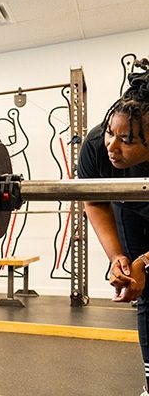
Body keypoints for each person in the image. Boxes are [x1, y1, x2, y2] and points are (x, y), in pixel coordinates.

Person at [78, 69, 149, 395]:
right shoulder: (95, 145)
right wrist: (118, 257)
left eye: (128, 140)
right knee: (143, 291)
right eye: (110, 132)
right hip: (131, 207)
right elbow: (93, 200)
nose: (113, 146)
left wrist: (146, 260)